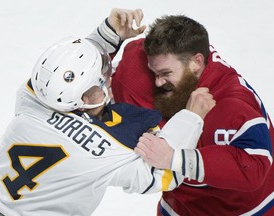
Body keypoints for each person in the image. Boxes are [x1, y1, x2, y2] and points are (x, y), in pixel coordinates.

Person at [0, 9, 215, 216]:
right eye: (102, 76)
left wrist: (107, 35)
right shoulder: (110, 150)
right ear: (84, 98)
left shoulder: (31, 98)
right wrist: (191, 118)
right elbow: (166, 175)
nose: (109, 73)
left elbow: (64, 74)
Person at [111, 14, 274, 215]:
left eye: (165, 73)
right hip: (176, 207)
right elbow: (84, 83)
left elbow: (255, 167)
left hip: (245, 210)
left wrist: (175, 158)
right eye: (155, 72)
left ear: (197, 62)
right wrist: (107, 39)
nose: (158, 82)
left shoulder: (234, 105)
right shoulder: (141, 62)